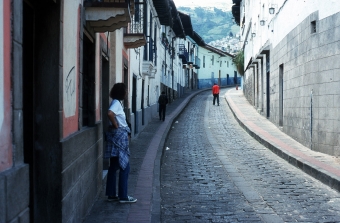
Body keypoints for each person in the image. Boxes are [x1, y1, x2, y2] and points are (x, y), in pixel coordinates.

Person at [104, 83, 137, 203]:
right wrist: (116, 125)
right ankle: (123, 196)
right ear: (121, 92)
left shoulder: (116, 102)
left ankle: (112, 195)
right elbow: (109, 113)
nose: (127, 93)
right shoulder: (116, 103)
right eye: (125, 91)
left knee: (113, 166)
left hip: (116, 137)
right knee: (125, 167)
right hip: (119, 137)